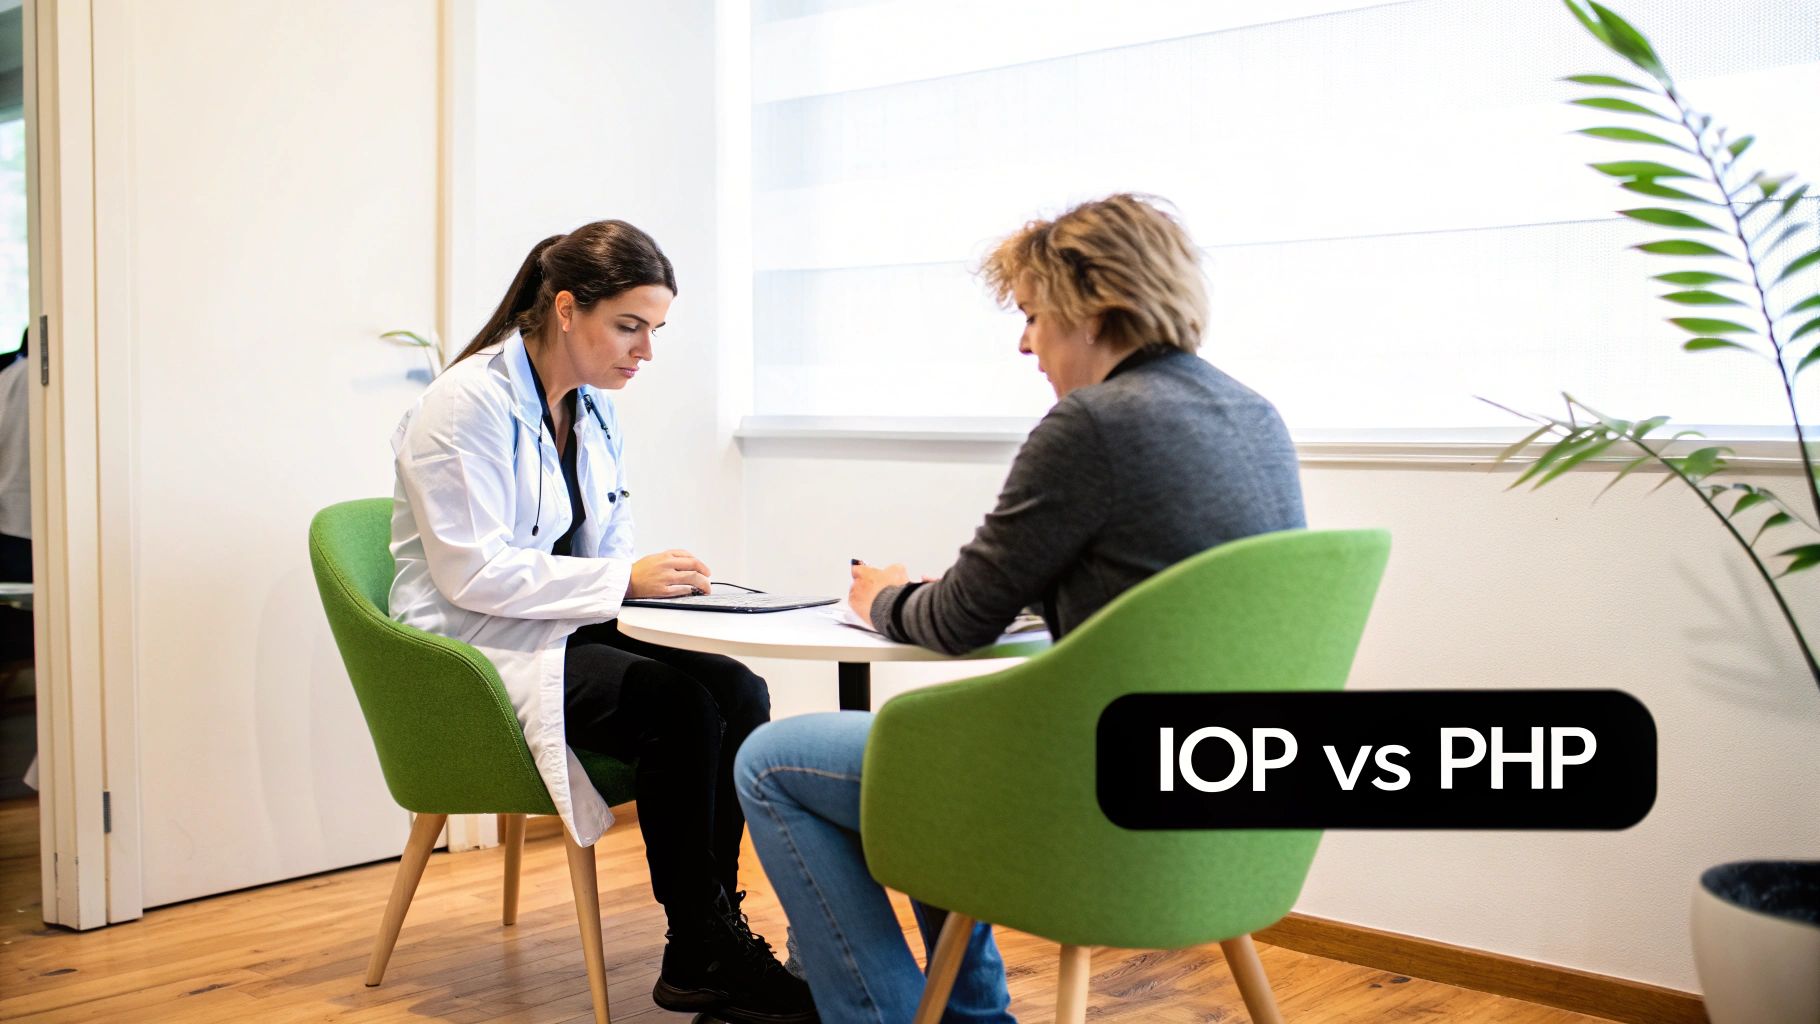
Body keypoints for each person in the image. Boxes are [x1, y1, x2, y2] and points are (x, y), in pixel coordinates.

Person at [733, 194, 1307, 1023]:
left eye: (1035, 316)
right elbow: (1159, 591)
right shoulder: (1255, 416)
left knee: (773, 759)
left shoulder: (1093, 424)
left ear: (1094, 309)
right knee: (938, 745)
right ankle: (968, 1016)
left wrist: (881, 597)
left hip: (1095, 801)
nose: (1024, 341)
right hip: (1229, 790)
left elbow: (959, 622)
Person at [389, 221, 815, 1024]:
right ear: (564, 309)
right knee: (674, 703)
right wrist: (623, 578)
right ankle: (701, 945)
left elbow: (600, 544)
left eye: (655, 330)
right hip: (470, 648)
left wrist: (657, 589)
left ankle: (711, 936)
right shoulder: (462, 406)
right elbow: (471, 572)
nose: (645, 352)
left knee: (738, 689)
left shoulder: (590, 407)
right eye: (629, 326)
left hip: (554, 620)